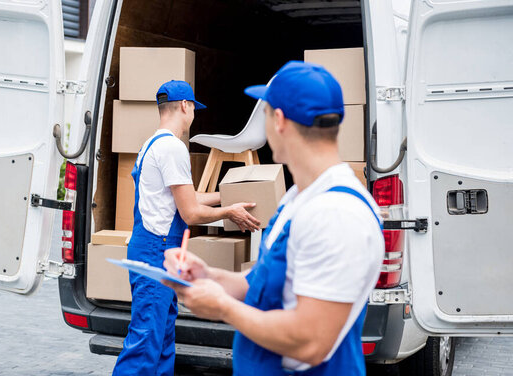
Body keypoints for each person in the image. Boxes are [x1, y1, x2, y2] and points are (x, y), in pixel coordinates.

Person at [163, 62, 385, 375]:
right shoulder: (300, 198)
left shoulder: (337, 214)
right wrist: (208, 277)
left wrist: (223, 308)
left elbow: (310, 341)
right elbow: (260, 285)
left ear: (278, 120)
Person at [112, 80, 261, 376]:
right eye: (193, 107)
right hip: (157, 250)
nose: (193, 113)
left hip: (154, 248)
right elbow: (190, 213)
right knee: (145, 343)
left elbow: (183, 197)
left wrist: (228, 193)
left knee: (163, 339)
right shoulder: (172, 148)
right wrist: (228, 212)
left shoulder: (151, 144)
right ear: (185, 106)